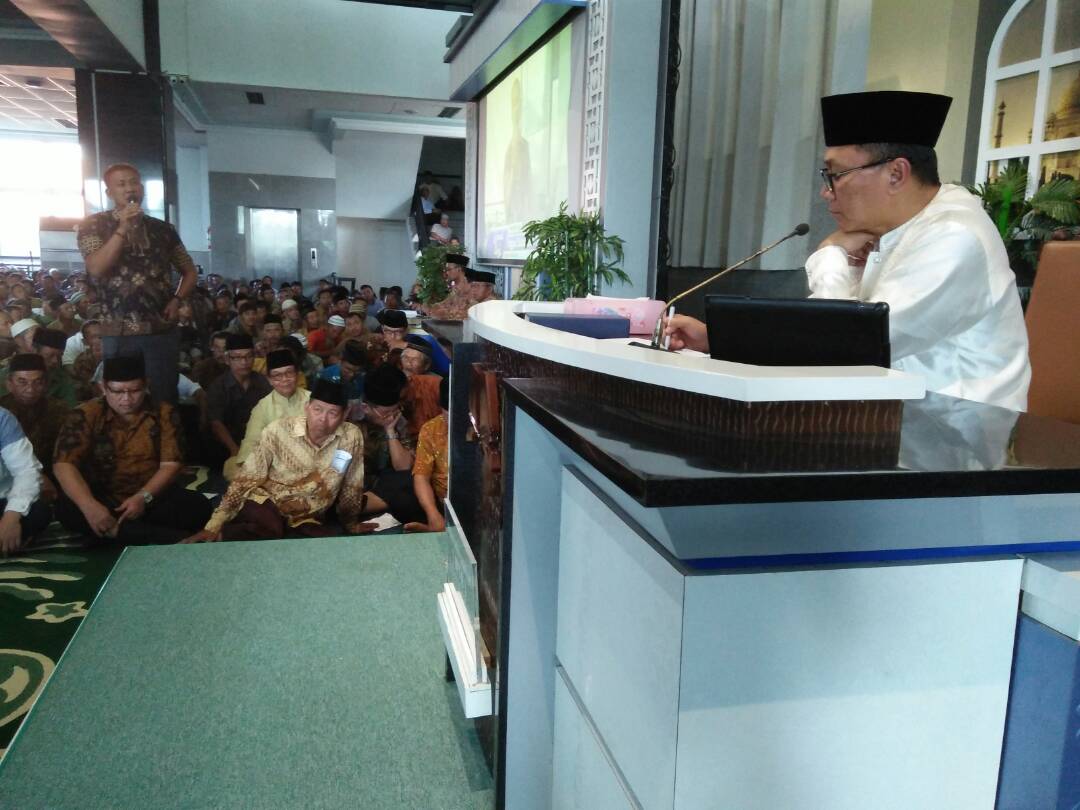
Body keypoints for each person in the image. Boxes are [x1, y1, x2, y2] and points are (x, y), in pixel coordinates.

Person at [665, 90, 1031, 412]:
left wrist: (830, 252)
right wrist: (718, 340)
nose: (826, 192)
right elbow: (820, 335)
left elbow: (842, 350)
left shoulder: (953, 236)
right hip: (888, 418)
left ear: (896, 174)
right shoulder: (895, 230)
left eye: (835, 176)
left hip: (955, 435)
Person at [52, 355, 212, 545]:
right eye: (118, 391)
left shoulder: (164, 412)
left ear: (146, 385)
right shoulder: (85, 414)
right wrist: (90, 506)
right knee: (67, 509)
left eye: (134, 391)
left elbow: (171, 464)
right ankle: (170, 538)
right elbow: (64, 464)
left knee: (199, 507)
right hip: (102, 497)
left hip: (151, 496)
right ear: (103, 387)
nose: (126, 399)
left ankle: (117, 532)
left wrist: (143, 497)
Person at [184, 379, 368, 541]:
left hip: (306, 513)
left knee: (325, 542)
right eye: (317, 409)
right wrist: (215, 523)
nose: (322, 419)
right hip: (268, 499)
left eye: (332, 413)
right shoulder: (277, 431)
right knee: (271, 528)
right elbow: (246, 478)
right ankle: (221, 535)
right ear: (307, 407)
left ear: (345, 415)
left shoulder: (351, 436)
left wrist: (351, 523)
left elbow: (352, 483)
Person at [77, 163, 198, 406]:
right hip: (118, 331)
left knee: (164, 397)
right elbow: (96, 268)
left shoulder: (163, 229)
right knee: (123, 399)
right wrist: (123, 228)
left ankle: (165, 431)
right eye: (121, 184)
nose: (129, 188)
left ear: (141, 189)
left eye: (134, 182)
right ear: (109, 192)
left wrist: (177, 299)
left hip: (160, 330)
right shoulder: (93, 225)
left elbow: (190, 271)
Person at [223, 349, 311, 481]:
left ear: (297, 374)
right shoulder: (262, 407)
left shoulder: (312, 400)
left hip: (308, 459)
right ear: (269, 380)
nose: (284, 380)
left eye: (289, 373)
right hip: (275, 462)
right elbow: (252, 441)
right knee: (233, 468)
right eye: (277, 376)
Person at [0, 353, 68, 482]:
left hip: (52, 477)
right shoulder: (2, 413)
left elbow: (66, 454)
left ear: (46, 384)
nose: (30, 390)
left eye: (38, 382)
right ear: (9, 384)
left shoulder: (59, 410)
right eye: (22, 382)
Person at [206, 334, 272, 465]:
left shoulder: (262, 382)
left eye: (249, 356)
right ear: (227, 359)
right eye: (237, 357)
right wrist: (235, 450)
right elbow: (216, 423)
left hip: (258, 442)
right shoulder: (218, 386)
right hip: (227, 446)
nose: (244, 362)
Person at [0, 401, 51, 556]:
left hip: (3, 500)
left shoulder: (2, 419)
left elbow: (27, 471)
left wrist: (11, 516)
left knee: (38, 512)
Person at [404, 376, 450, 533]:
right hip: (444, 501)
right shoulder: (431, 429)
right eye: (448, 412)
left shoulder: (489, 431)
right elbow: (421, 476)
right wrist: (433, 515)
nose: (454, 419)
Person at [400, 335, 442, 436]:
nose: (408, 363)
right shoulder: (395, 379)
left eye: (414, 359)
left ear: (426, 365)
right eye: (405, 358)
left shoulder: (435, 383)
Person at [420, 254, 472, 320]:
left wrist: (441, 313)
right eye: (446, 270)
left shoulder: (469, 288)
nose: (447, 273)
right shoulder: (455, 287)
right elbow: (445, 303)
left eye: (449, 269)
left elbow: (464, 314)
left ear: (458, 269)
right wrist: (430, 307)